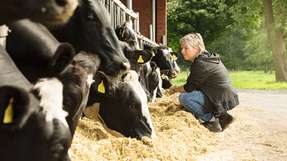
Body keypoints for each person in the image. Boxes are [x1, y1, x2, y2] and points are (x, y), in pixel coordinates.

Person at [172, 33, 239, 132]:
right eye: (182, 48)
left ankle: (211, 121)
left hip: (220, 98)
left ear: (197, 48)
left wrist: (173, 89)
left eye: (186, 48)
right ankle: (223, 116)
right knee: (190, 96)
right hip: (224, 97)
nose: (182, 51)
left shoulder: (200, 64)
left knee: (185, 98)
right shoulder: (207, 58)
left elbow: (188, 88)